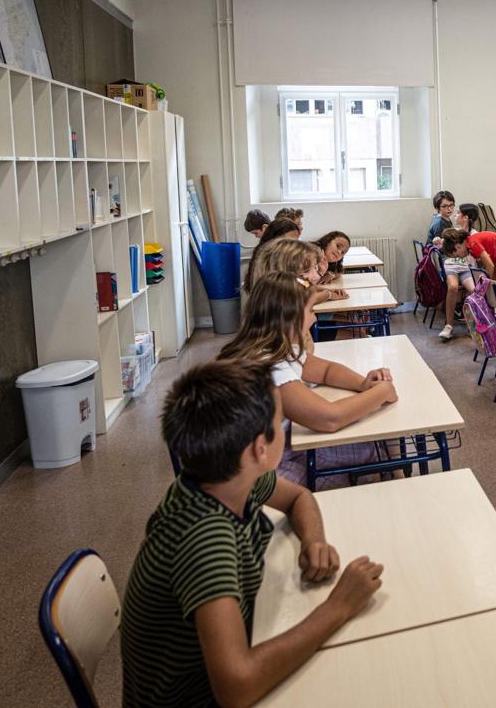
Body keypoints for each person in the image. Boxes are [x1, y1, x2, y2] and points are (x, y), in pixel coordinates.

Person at [120, 360, 385, 707]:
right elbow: (237, 687)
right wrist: (339, 607)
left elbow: (298, 497)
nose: (285, 428)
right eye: (280, 423)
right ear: (260, 449)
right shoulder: (204, 538)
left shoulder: (226, 476)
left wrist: (314, 540)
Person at [218, 273, 398, 489]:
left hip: (270, 450)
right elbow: (330, 419)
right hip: (259, 472)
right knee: (371, 451)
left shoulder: (274, 348)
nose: (314, 319)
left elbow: (325, 371)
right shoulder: (270, 366)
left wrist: (362, 384)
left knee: (372, 444)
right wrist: (382, 391)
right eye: (310, 311)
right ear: (290, 317)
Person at [247, 238, 348, 306]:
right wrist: (327, 294)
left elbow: (307, 285)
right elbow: (306, 297)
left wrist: (330, 291)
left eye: (315, 268)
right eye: (306, 270)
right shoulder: (280, 295)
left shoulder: (297, 279)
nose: (316, 276)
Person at [437, 228, 480, 342]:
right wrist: (436, 242)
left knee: (474, 291)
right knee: (453, 287)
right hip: (451, 267)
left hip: (465, 268)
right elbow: (438, 244)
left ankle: (475, 325)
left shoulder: (468, 239)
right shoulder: (449, 243)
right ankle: (449, 326)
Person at [243, 217, 302, 292]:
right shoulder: (268, 262)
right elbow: (291, 283)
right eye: (288, 242)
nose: (294, 246)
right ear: (274, 240)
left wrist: (308, 286)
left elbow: (300, 280)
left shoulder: (289, 258)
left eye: (296, 241)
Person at [454, 203, 496, 281]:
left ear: (465, 217)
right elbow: (491, 262)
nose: (455, 215)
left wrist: (482, 287)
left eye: (458, 213)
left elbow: (490, 265)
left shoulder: (472, 240)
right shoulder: (467, 237)